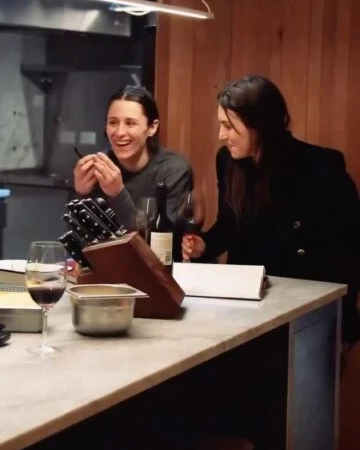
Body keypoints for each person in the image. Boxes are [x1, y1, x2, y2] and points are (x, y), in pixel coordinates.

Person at [182, 75, 360, 343]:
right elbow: (229, 224)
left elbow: (349, 249)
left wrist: (342, 325)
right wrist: (204, 245)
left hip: (306, 307)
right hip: (246, 302)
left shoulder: (320, 166)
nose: (221, 135)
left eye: (229, 126)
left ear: (259, 125)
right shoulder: (227, 160)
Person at [73, 85, 193, 231]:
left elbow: (157, 238)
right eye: (113, 122)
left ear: (152, 127)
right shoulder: (100, 167)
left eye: (130, 123)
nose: (119, 132)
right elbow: (81, 236)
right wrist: (81, 195)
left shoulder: (174, 170)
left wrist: (117, 193)